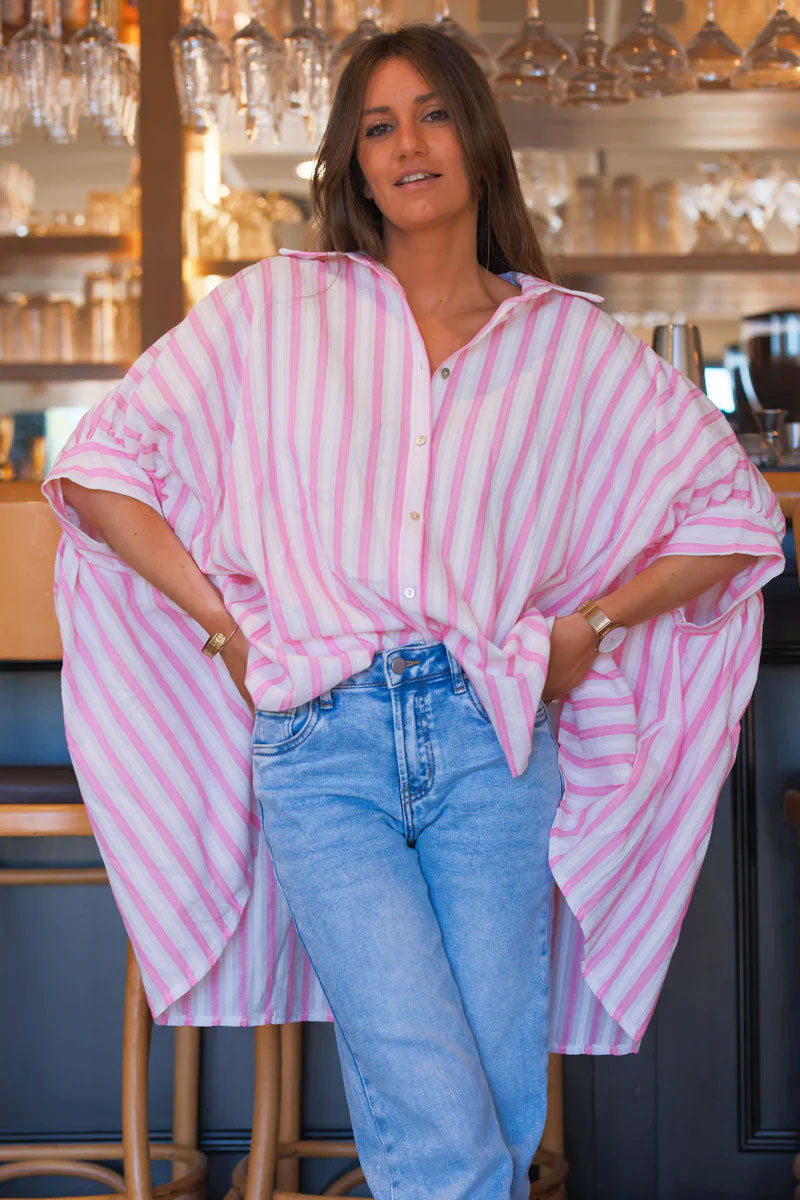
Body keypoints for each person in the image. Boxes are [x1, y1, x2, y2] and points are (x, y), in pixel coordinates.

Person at [43, 22, 784, 1200]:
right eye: (376, 126)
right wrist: (224, 624)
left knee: (485, 1089)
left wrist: (585, 628)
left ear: (477, 141)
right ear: (350, 164)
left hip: (491, 741)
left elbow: (732, 514)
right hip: (319, 743)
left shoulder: (568, 346)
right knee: (431, 1089)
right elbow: (100, 468)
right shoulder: (275, 310)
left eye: (431, 113)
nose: (406, 144)